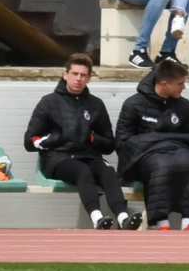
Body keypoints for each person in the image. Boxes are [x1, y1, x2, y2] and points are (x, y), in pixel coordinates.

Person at [25, 54, 141, 229]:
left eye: (83, 75)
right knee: (82, 171)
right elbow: (29, 141)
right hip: (58, 158)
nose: (78, 79)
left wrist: (93, 139)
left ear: (89, 78)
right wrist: (52, 140)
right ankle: (97, 218)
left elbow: (109, 144)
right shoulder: (48, 102)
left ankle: (123, 218)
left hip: (89, 156)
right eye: (75, 74)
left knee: (108, 172)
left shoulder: (96, 104)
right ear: (65, 74)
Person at [116, 58, 189, 230]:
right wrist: (155, 143)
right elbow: (122, 142)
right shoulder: (133, 104)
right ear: (164, 84)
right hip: (143, 157)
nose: (184, 87)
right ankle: (161, 222)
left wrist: (164, 140)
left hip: (179, 153)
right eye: (180, 83)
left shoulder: (184, 106)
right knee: (162, 165)